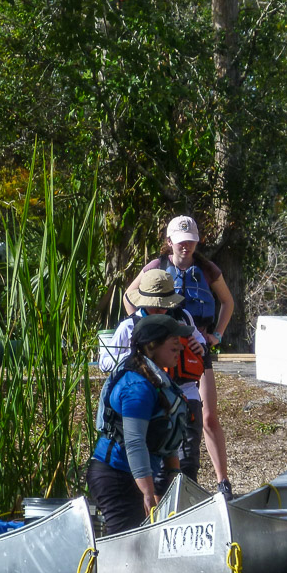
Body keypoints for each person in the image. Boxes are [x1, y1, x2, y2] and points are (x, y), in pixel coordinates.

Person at [124, 215, 235, 498]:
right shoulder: (156, 267)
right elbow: (129, 295)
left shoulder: (207, 269)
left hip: (195, 348)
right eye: (181, 241)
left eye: (191, 241)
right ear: (169, 242)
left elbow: (227, 301)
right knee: (163, 410)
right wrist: (143, 327)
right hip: (163, 349)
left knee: (208, 416)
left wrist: (216, 335)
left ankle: (223, 482)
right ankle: (163, 484)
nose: (186, 246)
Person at [87, 314, 196, 534]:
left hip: (139, 476)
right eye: (173, 340)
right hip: (115, 476)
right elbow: (135, 442)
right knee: (129, 546)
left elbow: (166, 431)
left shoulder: (158, 380)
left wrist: (173, 473)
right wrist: (148, 493)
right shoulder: (136, 386)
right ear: (152, 345)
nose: (181, 346)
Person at [101, 270, 207, 481]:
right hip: (151, 400)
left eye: (165, 303)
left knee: (187, 461)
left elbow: (200, 343)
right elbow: (105, 363)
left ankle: (183, 503)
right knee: (155, 461)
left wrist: (199, 345)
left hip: (184, 395)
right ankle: (154, 504)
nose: (159, 307)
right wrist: (137, 355)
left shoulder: (183, 318)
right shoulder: (129, 326)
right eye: (153, 303)